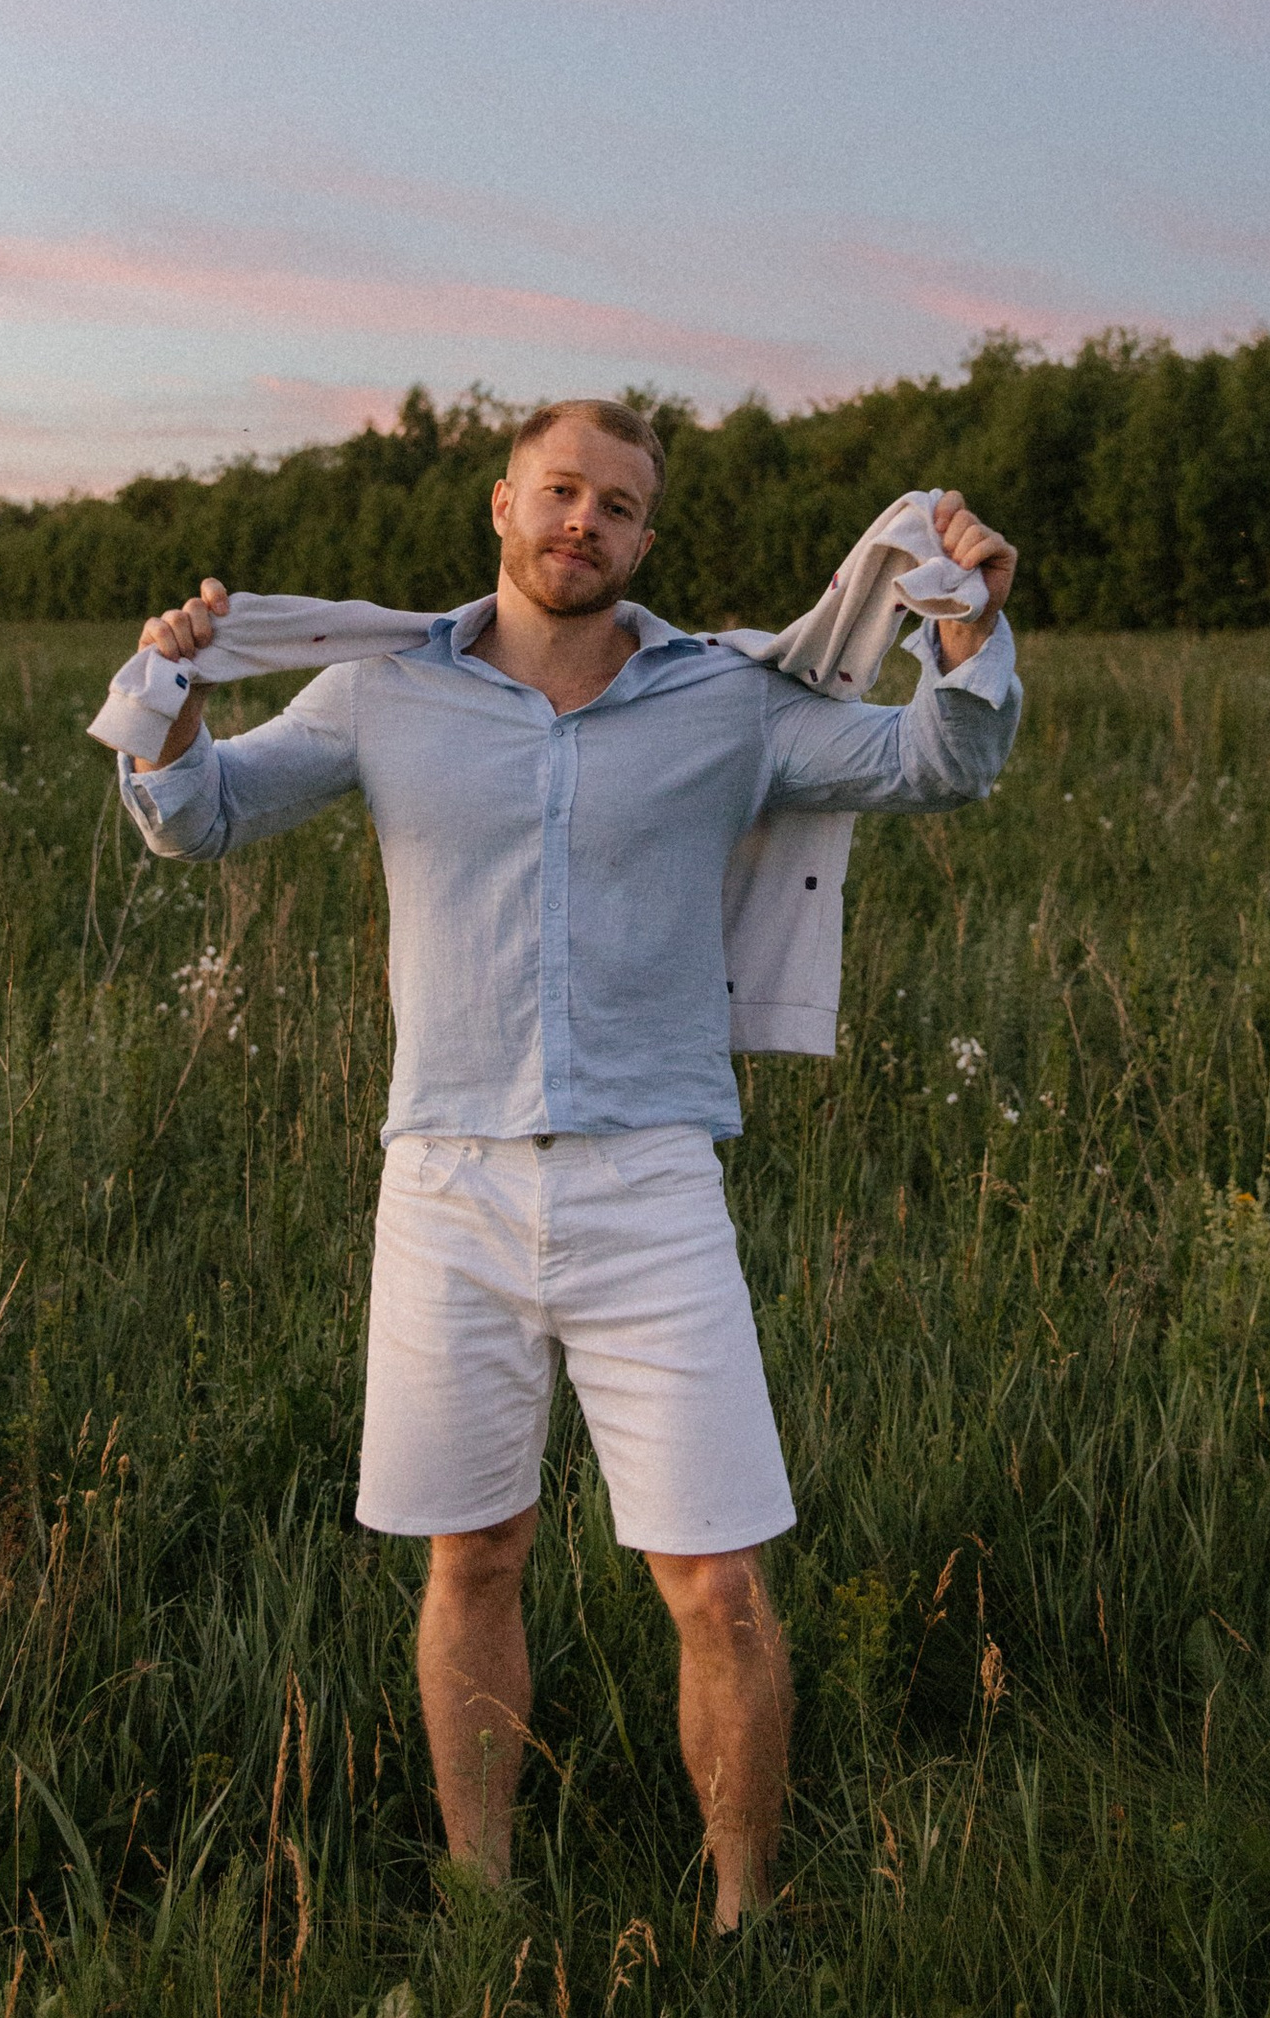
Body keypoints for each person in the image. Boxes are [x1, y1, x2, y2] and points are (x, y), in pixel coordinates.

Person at [119, 399, 1021, 1927]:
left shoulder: (722, 701)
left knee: (718, 1584)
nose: (582, 523)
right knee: (474, 1554)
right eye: (559, 491)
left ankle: (744, 1923)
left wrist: (967, 624)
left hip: (651, 1183)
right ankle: (485, 1907)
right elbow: (196, 820)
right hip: (447, 1183)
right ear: (501, 505)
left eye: (616, 506)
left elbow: (939, 763)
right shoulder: (383, 690)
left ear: (645, 539)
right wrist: (179, 693)